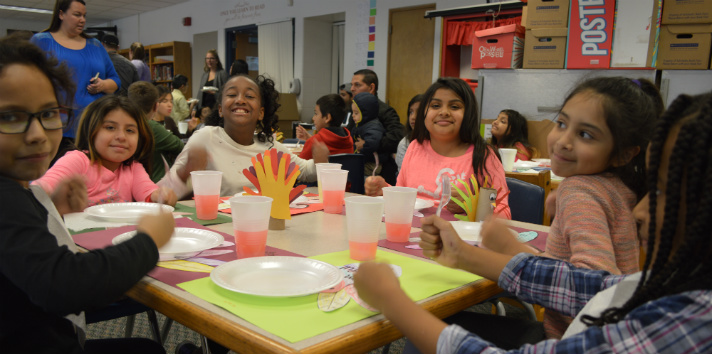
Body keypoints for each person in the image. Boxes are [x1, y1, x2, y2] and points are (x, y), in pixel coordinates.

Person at [353, 91, 712, 354]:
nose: (641, 210)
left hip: (563, 335)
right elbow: (596, 285)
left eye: (664, 191)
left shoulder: (581, 191)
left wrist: (392, 301)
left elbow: (591, 282)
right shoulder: (415, 148)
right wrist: (467, 255)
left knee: (424, 333)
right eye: (561, 124)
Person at [0, 33, 173, 354]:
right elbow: (65, 284)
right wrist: (148, 241)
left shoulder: (15, 190)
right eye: (10, 117)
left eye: (49, 113)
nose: (38, 134)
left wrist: (51, 207)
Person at [482, 77, 664, 339]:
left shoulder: (580, 191)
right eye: (562, 124)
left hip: (575, 340)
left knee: (436, 334)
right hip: (618, 337)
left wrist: (511, 248)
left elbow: (592, 289)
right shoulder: (622, 185)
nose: (563, 141)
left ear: (624, 154)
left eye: (585, 134)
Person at [159, 74, 328, 199]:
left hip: (261, 228)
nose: (240, 100)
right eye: (232, 95)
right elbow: (162, 194)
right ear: (220, 110)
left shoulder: (269, 146)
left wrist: (320, 160)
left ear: (261, 112)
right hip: (219, 231)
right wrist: (184, 172)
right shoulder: (205, 138)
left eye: (249, 96)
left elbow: (305, 172)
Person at [365, 77, 511, 218]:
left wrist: (470, 205)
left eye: (454, 106)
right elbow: (404, 196)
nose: (444, 112)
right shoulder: (415, 147)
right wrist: (385, 190)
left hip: (459, 238)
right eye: (435, 106)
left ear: (469, 114)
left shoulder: (484, 156)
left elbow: (502, 212)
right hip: (413, 234)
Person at [33, 95, 177, 207]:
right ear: (91, 131)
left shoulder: (132, 168)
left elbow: (148, 193)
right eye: (110, 128)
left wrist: (162, 195)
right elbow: (43, 187)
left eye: (130, 130)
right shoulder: (78, 160)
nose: (121, 137)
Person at [31, 0, 120, 164]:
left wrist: (102, 85)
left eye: (84, 16)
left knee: (91, 180)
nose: (83, 20)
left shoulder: (95, 45)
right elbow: (28, 80)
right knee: (56, 179)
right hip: (58, 128)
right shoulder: (42, 41)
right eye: (77, 15)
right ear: (61, 14)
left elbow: (115, 81)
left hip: (93, 126)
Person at [350, 69, 404, 185]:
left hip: (380, 172)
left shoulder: (386, 111)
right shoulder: (355, 110)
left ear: (371, 88)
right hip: (359, 164)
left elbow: (397, 137)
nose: (352, 89)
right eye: (352, 85)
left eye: (357, 85)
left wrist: (369, 144)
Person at [127, 81, 184, 182]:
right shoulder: (151, 127)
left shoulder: (123, 124)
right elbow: (180, 147)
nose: (169, 105)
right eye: (165, 101)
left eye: (171, 101)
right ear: (156, 106)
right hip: (156, 183)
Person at [298, 94, 354, 160]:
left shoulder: (313, 142)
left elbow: (298, 167)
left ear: (327, 117)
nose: (313, 118)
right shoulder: (349, 140)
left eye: (316, 114)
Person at [351, 92, 386, 176]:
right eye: (353, 112)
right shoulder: (361, 125)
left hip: (373, 164)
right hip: (366, 160)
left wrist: (363, 146)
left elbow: (373, 142)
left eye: (356, 113)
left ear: (366, 113)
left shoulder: (373, 125)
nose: (353, 116)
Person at [395, 94, 423, 171]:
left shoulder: (437, 140)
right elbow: (404, 174)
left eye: (419, 112)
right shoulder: (405, 143)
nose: (413, 117)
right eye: (411, 112)